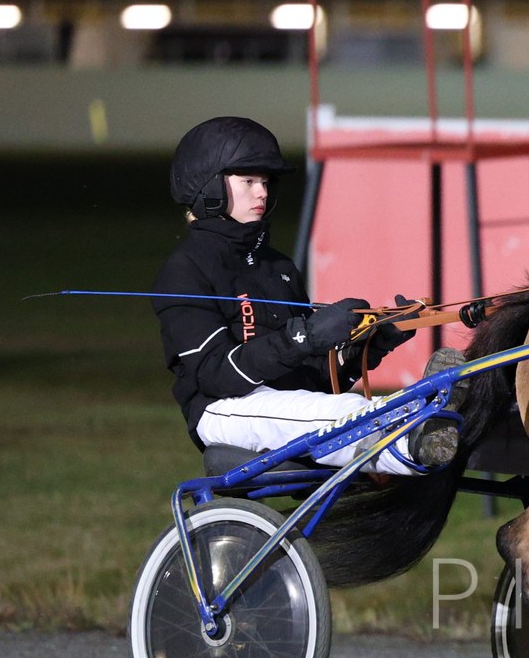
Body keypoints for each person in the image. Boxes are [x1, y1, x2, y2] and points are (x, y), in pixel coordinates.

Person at [152, 116, 461, 473]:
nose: (262, 193)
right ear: (209, 187)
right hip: (221, 408)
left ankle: (429, 415)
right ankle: (416, 437)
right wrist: (304, 337)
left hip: (289, 405)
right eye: (248, 181)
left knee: (331, 407)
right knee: (339, 413)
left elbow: (317, 382)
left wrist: (373, 344)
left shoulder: (278, 267)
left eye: (265, 182)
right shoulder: (185, 269)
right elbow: (215, 374)